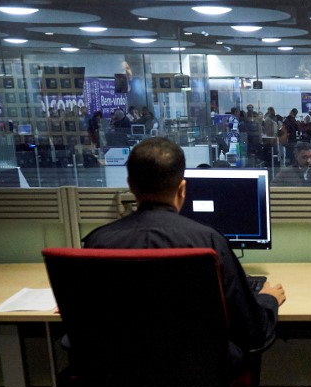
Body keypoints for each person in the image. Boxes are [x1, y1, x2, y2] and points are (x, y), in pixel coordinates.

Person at [83, 137, 285, 371]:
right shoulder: (208, 243)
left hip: (117, 384)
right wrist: (267, 298)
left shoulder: (98, 243)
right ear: (182, 188)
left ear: (130, 185)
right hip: (200, 384)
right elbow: (254, 332)